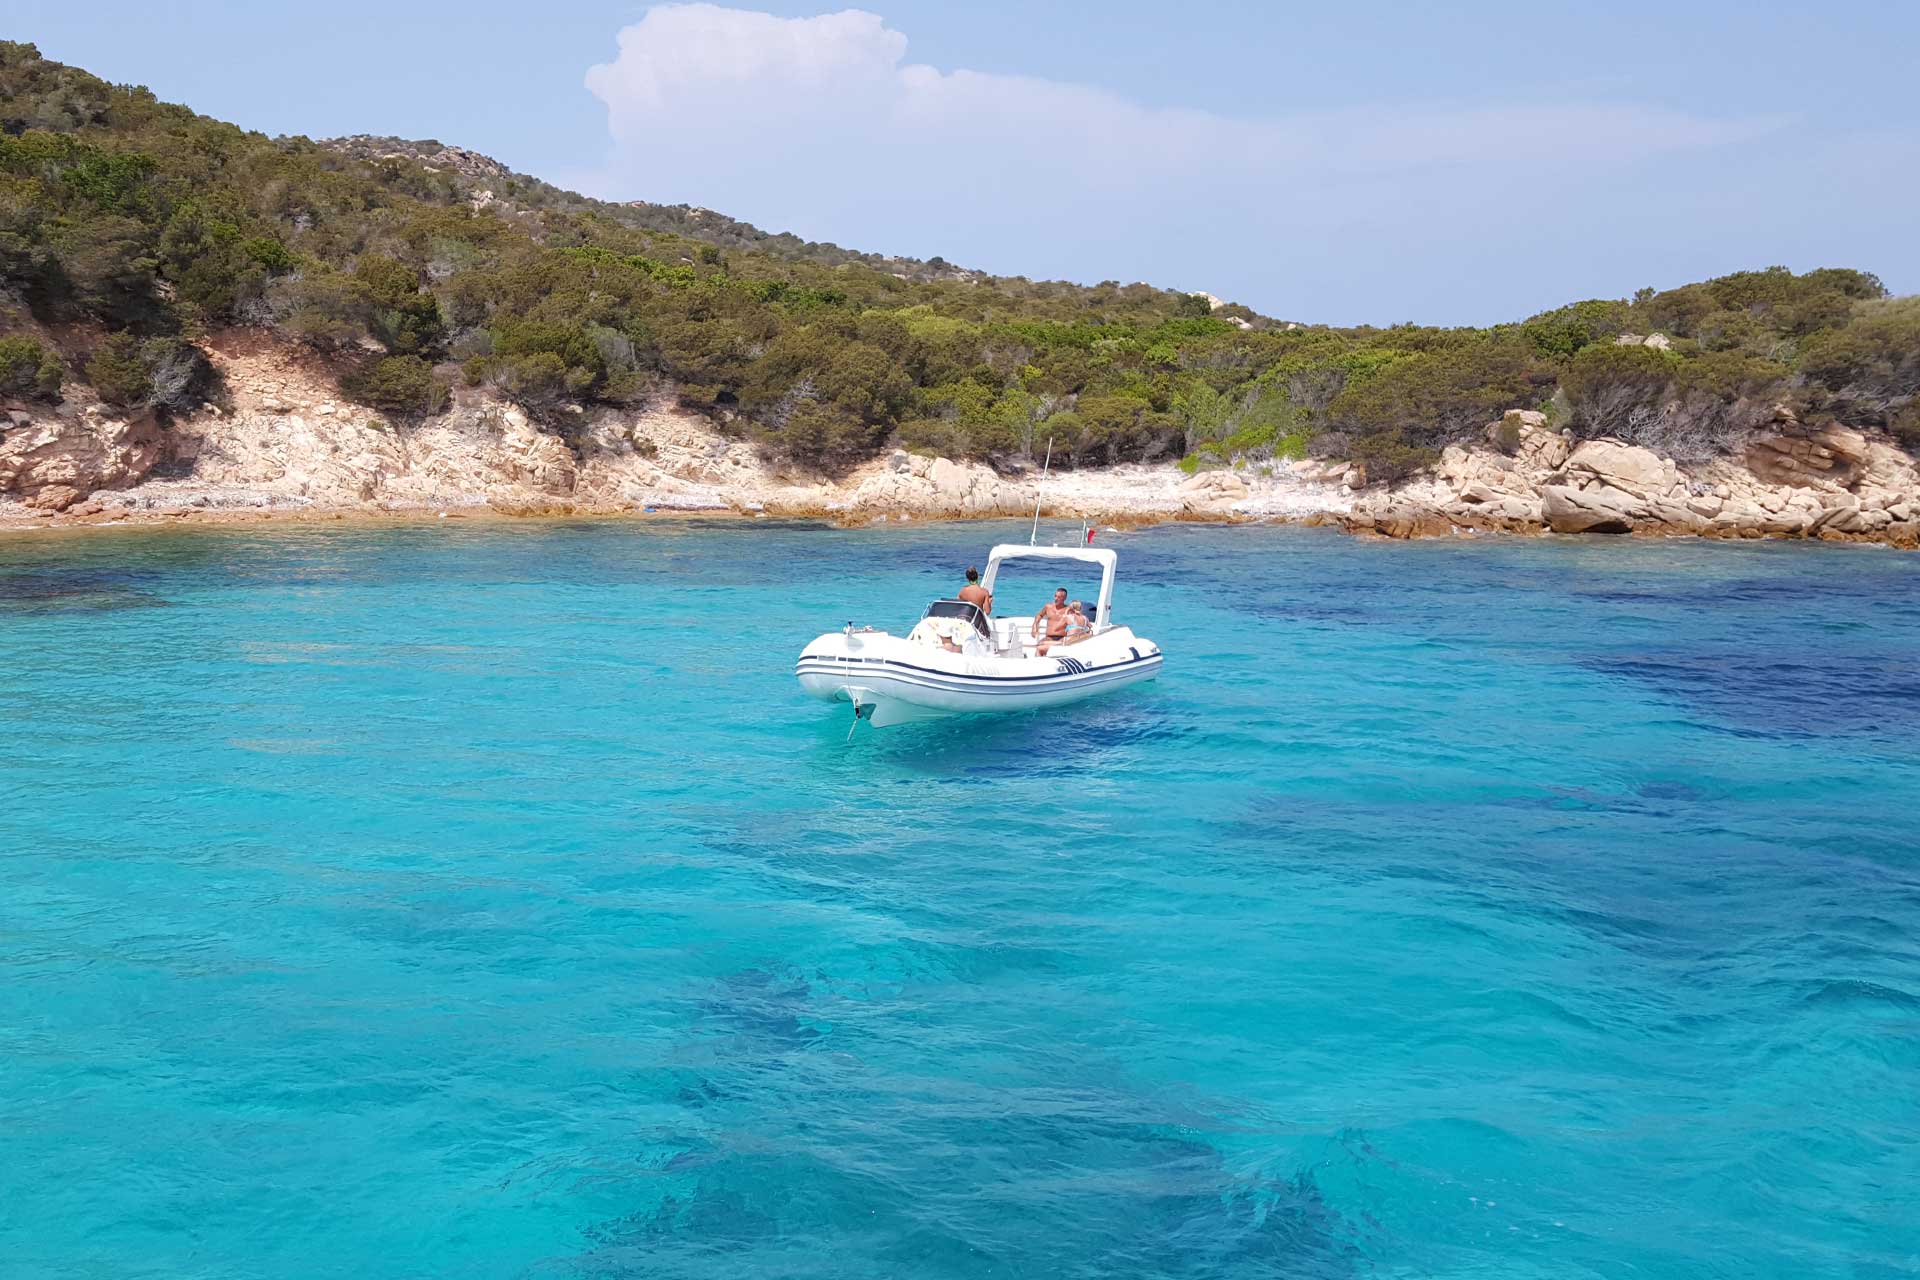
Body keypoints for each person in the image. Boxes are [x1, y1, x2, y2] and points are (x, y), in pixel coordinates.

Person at [1032, 587, 1072, 654]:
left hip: (1062, 638)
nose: (1056, 599)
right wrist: (1035, 626)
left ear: (1064, 598)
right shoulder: (1048, 607)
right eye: (1055, 596)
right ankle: (1037, 662)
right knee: (1040, 646)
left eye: (1059, 597)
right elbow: (1039, 615)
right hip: (1049, 637)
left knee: (1043, 645)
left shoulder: (1068, 610)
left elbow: (1077, 621)